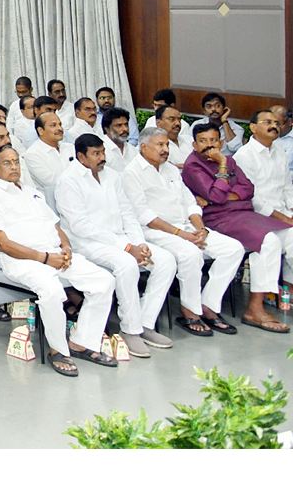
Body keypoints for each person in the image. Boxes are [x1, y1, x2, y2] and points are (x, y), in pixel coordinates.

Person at [0, 145, 118, 377]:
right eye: (7, 163)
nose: (14, 167)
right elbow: (3, 244)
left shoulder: (33, 192)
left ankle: (81, 342)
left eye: (16, 162)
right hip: (22, 260)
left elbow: (56, 227)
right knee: (52, 290)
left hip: (54, 254)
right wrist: (44, 258)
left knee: (104, 281)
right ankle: (58, 350)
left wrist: (66, 248)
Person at [54, 134, 177, 358]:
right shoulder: (68, 180)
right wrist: (128, 247)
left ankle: (144, 324)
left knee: (166, 261)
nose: (102, 158)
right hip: (87, 243)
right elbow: (81, 226)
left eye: (103, 152)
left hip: (121, 238)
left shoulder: (111, 175)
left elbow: (127, 212)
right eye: (96, 154)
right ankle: (130, 330)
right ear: (81, 157)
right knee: (127, 264)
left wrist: (139, 243)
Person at [122, 128, 243, 336]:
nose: (165, 149)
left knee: (234, 249)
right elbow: (145, 216)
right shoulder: (131, 173)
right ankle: (190, 311)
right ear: (144, 147)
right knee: (191, 253)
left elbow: (190, 202)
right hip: (155, 232)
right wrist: (182, 234)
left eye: (167, 145)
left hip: (187, 227)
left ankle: (208, 306)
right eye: (160, 145)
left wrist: (200, 228)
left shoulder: (169, 169)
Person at [181, 123, 292, 333]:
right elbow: (215, 198)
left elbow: (248, 188)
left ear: (221, 142)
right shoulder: (193, 165)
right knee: (268, 241)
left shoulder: (231, 160)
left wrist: (227, 194)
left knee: (289, 234)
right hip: (218, 218)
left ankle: (281, 292)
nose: (209, 145)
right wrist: (222, 165)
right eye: (203, 141)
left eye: (214, 140)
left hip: (244, 214)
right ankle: (255, 308)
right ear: (194, 144)